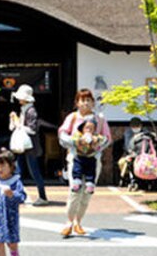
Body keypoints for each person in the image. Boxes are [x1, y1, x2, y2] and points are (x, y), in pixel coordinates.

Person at [57, 88, 111, 237]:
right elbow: (62, 134)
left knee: (87, 192)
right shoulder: (72, 117)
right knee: (74, 190)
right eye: (82, 100)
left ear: (93, 103)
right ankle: (69, 222)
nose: (85, 103)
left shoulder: (99, 119)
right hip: (75, 159)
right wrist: (75, 142)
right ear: (77, 103)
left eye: (88, 100)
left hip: (93, 159)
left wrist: (97, 144)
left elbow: (107, 137)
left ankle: (78, 222)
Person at [9, 84, 48, 206]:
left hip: (30, 146)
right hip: (25, 145)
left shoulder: (30, 111)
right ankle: (20, 195)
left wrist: (18, 124)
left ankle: (42, 196)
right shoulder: (25, 109)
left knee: (34, 172)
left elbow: (32, 130)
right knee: (19, 170)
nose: (19, 100)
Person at [69, 115, 107, 194]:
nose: (89, 130)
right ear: (82, 128)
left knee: (91, 171)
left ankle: (90, 185)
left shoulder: (95, 136)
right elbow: (73, 139)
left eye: (91, 128)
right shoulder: (78, 135)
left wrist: (96, 140)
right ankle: (76, 183)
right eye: (87, 128)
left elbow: (103, 139)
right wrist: (81, 140)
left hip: (90, 157)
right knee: (77, 169)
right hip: (79, 157)